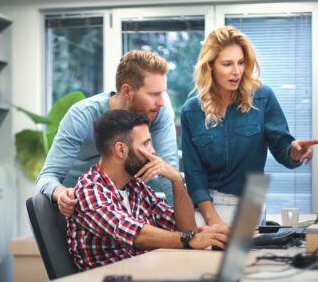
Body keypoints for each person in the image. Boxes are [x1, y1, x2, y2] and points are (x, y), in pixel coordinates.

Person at [181, 26, 318, 227]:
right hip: (208, 208)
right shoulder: (191, 111)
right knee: (205, 257)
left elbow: (283, 149)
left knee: (247, 258)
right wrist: (214, 221)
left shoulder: (263, 97)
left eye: (241, 62)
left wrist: (294, 151)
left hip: (250, 203)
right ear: (211, 65)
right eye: (227, 64)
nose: (236, 71)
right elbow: (194, 175)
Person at [67, 109, 230, 271]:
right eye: (145, 143)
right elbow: (132, 233)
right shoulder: (89, 190)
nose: (152, 150)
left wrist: (177, 181)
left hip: (143, 277)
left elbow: (186, 230)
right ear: (121, 150)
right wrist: (189, 239)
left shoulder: (136, 186)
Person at [36, 50, 179, 217]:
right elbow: (47, 176)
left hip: (122, 207)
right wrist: (62, 194)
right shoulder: (82, 116)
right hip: (80, 209)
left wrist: (185, 226)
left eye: (162, 93)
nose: (161, 102)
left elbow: (167, 169)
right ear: (126, 92)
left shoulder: (158, 110)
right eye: (154, 94)